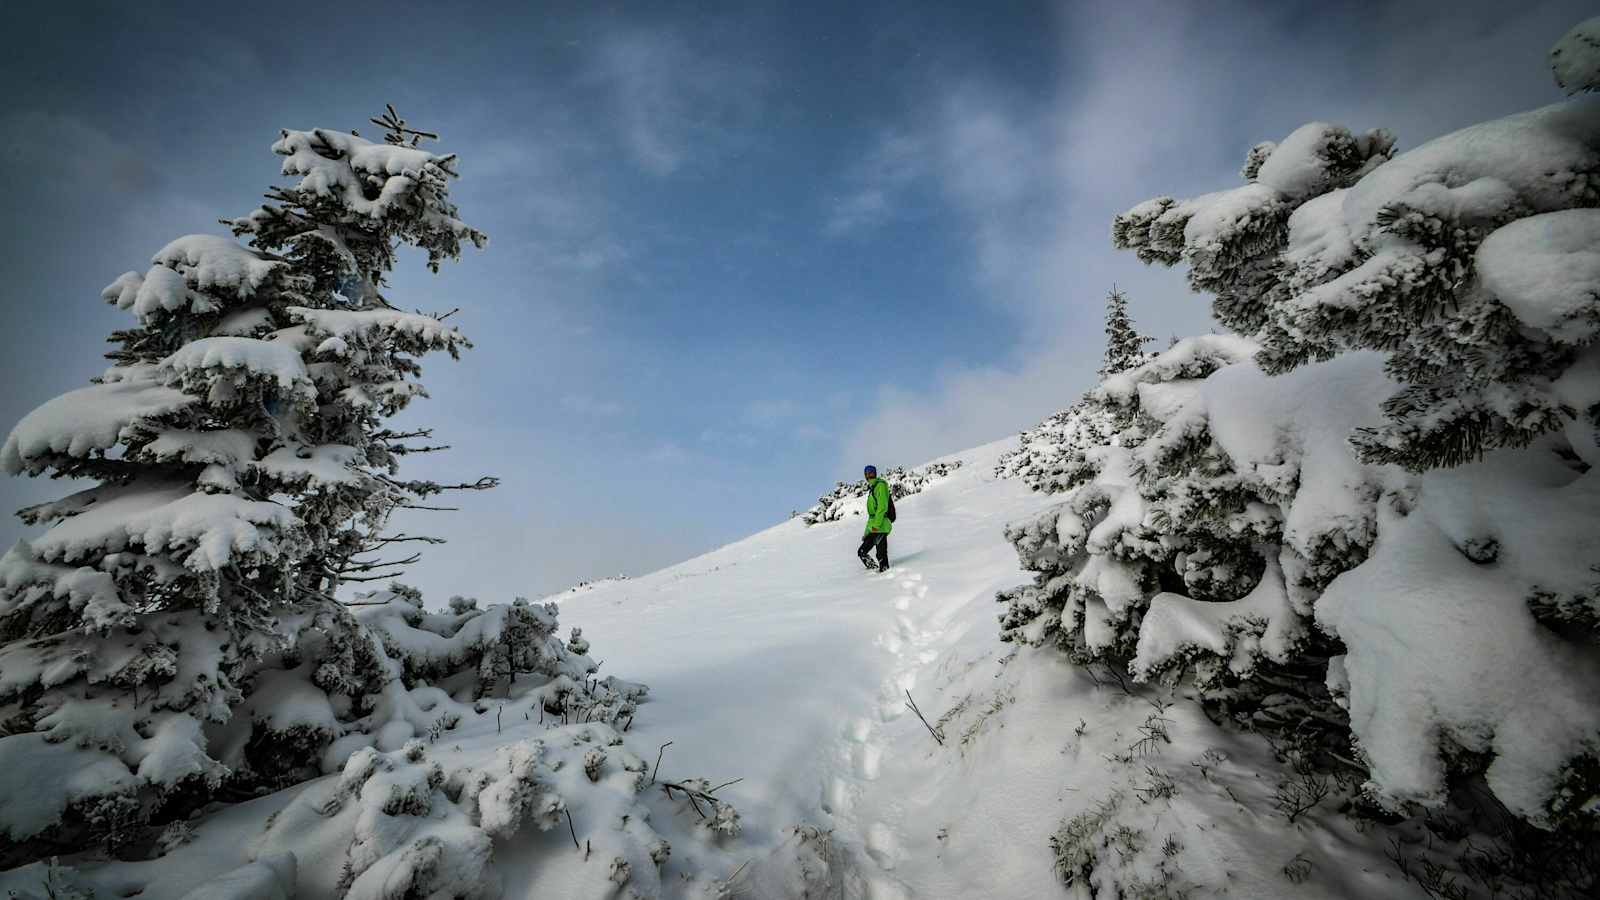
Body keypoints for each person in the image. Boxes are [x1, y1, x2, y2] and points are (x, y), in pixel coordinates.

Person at [857, 464, 892, 572]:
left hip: (881, 526)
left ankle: (885, 578)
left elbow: (882, 507)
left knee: (881, 556)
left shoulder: (880, 486)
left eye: (870, 472)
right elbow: (871, 516)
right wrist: (867, 532)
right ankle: (874, 571)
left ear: (875, 473)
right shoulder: (872, 489)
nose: (868, 475)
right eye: (866, 473)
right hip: (875, 527)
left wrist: (876, 526)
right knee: (862, 552)